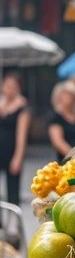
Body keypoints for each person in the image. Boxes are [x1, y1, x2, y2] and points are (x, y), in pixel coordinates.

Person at [0, 72, 30, 204]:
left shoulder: (22, 107)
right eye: (6, 86)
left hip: (12, 151)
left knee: (12, 190)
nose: (9, 89)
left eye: (12, 86)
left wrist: (18, 157)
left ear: (18, 88)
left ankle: (13, 222)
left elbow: (21, 136)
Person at [48, 81, 75, 161]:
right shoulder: (55, 117)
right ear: (58, 97)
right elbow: (58, 142)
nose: (67, 98)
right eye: (64, 95)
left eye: (70, 95)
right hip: (66, 159)